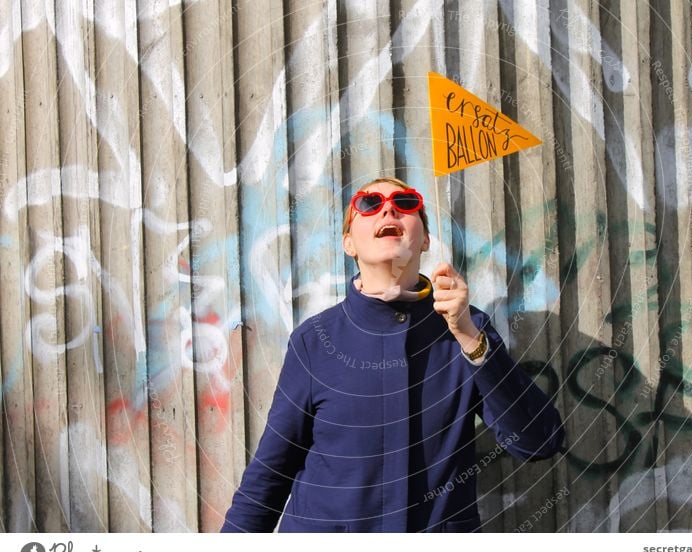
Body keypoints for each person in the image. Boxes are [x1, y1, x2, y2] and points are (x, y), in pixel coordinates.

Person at [220, 176, 564, 532]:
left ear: (425, 239)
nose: (388, 208)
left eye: (406, 203)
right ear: (349, 243)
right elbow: (271, 472)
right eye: (368, 204)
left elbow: (539, 441)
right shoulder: (316, 340)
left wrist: (470, 339)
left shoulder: (466, 327)